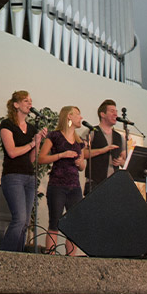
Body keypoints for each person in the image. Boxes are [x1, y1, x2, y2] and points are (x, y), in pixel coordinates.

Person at [0, 90, 47, 251]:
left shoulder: (32, 128)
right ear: (16, 104)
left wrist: (38, 141)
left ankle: (18, 259)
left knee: (26, 222)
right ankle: (6, 255)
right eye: (25, 100)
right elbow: (12, 152)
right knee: (19, 219)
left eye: (30, 101)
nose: (29, 103)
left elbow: (32, 158)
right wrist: (32, 143)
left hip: (29, 177)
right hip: (13, 177)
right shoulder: (7, 124)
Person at [38, 105, 86, 255]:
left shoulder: (80, 142)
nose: (81, 117)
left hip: (75, 187)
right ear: (69, 116)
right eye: (78, 114)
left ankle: (70, 259)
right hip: (57, 185)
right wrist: (61, 155)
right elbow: (41, 158)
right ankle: (50, 255)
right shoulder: (54, 136)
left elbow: (83, 165)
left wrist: (80, 164)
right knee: (55, 221)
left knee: (74, 224)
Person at [84, 98, 125, 194]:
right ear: (102, 114)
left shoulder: (119, 137)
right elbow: (83, 154)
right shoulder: (91, 132)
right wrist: (103, 150)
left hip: (114, 183)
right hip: (95, 182)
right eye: (112, 111)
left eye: (116, 111)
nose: (116, 114)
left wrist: (120, 161)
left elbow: (125, 160)